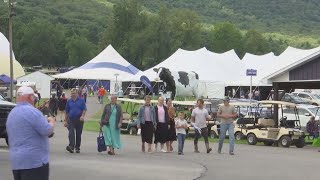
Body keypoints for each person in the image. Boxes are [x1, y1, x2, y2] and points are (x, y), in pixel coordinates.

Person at [6, 86, 55, 180]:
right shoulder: (32, 112)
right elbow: (47, 130)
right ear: (30, 97)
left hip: (17, 162)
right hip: (34, 162)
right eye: (34, 97)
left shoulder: (12, 113)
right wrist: (51, 122)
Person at [65, 88, 87, 153]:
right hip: (71, 119)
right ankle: (71, 146)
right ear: (71, 94)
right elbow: (67, 111)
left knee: (78, 134)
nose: (73, 94)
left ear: (77, 94)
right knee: (71, 133)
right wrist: (65, 121)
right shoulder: (69, 101)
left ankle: (77, 147)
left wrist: (82, 116)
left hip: (79, 119)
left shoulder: (81, 100)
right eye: (72, 93)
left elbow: (84, 109)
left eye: (75, 93)